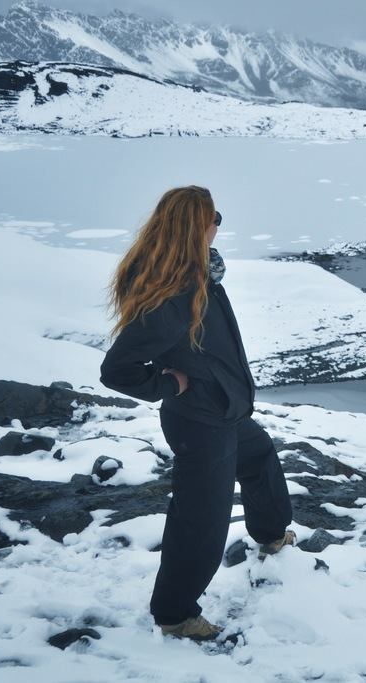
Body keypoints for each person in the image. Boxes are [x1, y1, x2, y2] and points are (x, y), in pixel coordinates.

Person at [100, 185, 295, 642]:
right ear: (196, 226)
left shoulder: (198, 274)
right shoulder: (172, 297)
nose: (219, 224)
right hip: (201, 423)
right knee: (201, 521)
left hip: (222, 411)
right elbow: (117, 371)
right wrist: (170, 384)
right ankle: (175, 614)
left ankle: (271, 533)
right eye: (215, 217)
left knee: (259, 455)